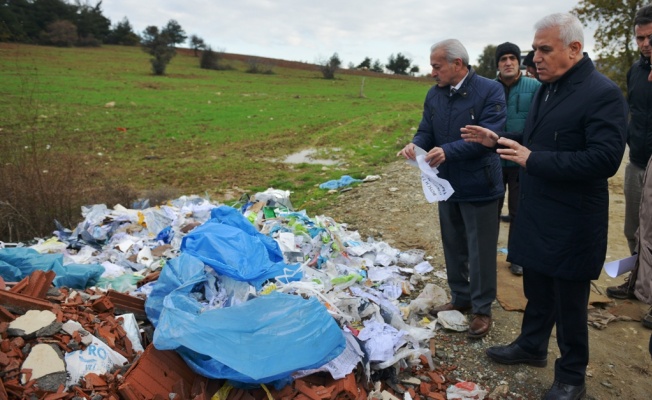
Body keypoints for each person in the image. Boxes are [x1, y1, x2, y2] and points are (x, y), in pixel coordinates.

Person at [460, 13, 627, 400]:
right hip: (538, 212)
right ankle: (531, 346)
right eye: (534, 49)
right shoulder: (546, 89)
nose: (535, 57)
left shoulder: (602, 93)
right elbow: (536, 138)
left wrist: (532, 160)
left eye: (544, 49)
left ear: (574, 49)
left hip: (572, 219)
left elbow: (604, 160)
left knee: (569, 303)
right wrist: (496, 137)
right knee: (537, 287)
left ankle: (571, 375)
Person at [397, 39, 506, 339]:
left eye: (437, 66)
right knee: (453, 244)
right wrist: (415, 145)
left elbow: (488, 137)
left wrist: (448, 151)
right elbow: (425, 130)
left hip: (480, 184)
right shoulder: (434, 95)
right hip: (445, 185)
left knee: (480, 250)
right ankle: (461, 297)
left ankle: (482, 309)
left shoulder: (490, 91)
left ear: (457, 64)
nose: (432, 72)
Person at [606, 4, 652, 301]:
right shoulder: (635, 71)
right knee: (634, 230)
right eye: (640, 38)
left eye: (650, 38)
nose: (645, 44)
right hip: (636, 161)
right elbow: (632, 112)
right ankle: (637, 283)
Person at [494, 42, 541, 275]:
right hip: (492, 159)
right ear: (498, 64)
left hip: (520, 159)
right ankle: (484, 254)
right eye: (503, 59)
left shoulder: (534, 86)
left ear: (519, 62)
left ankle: (517, 256)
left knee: (518, 210)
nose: (508, 62)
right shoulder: (488, 88)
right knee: (490, 209)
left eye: (512, 58)